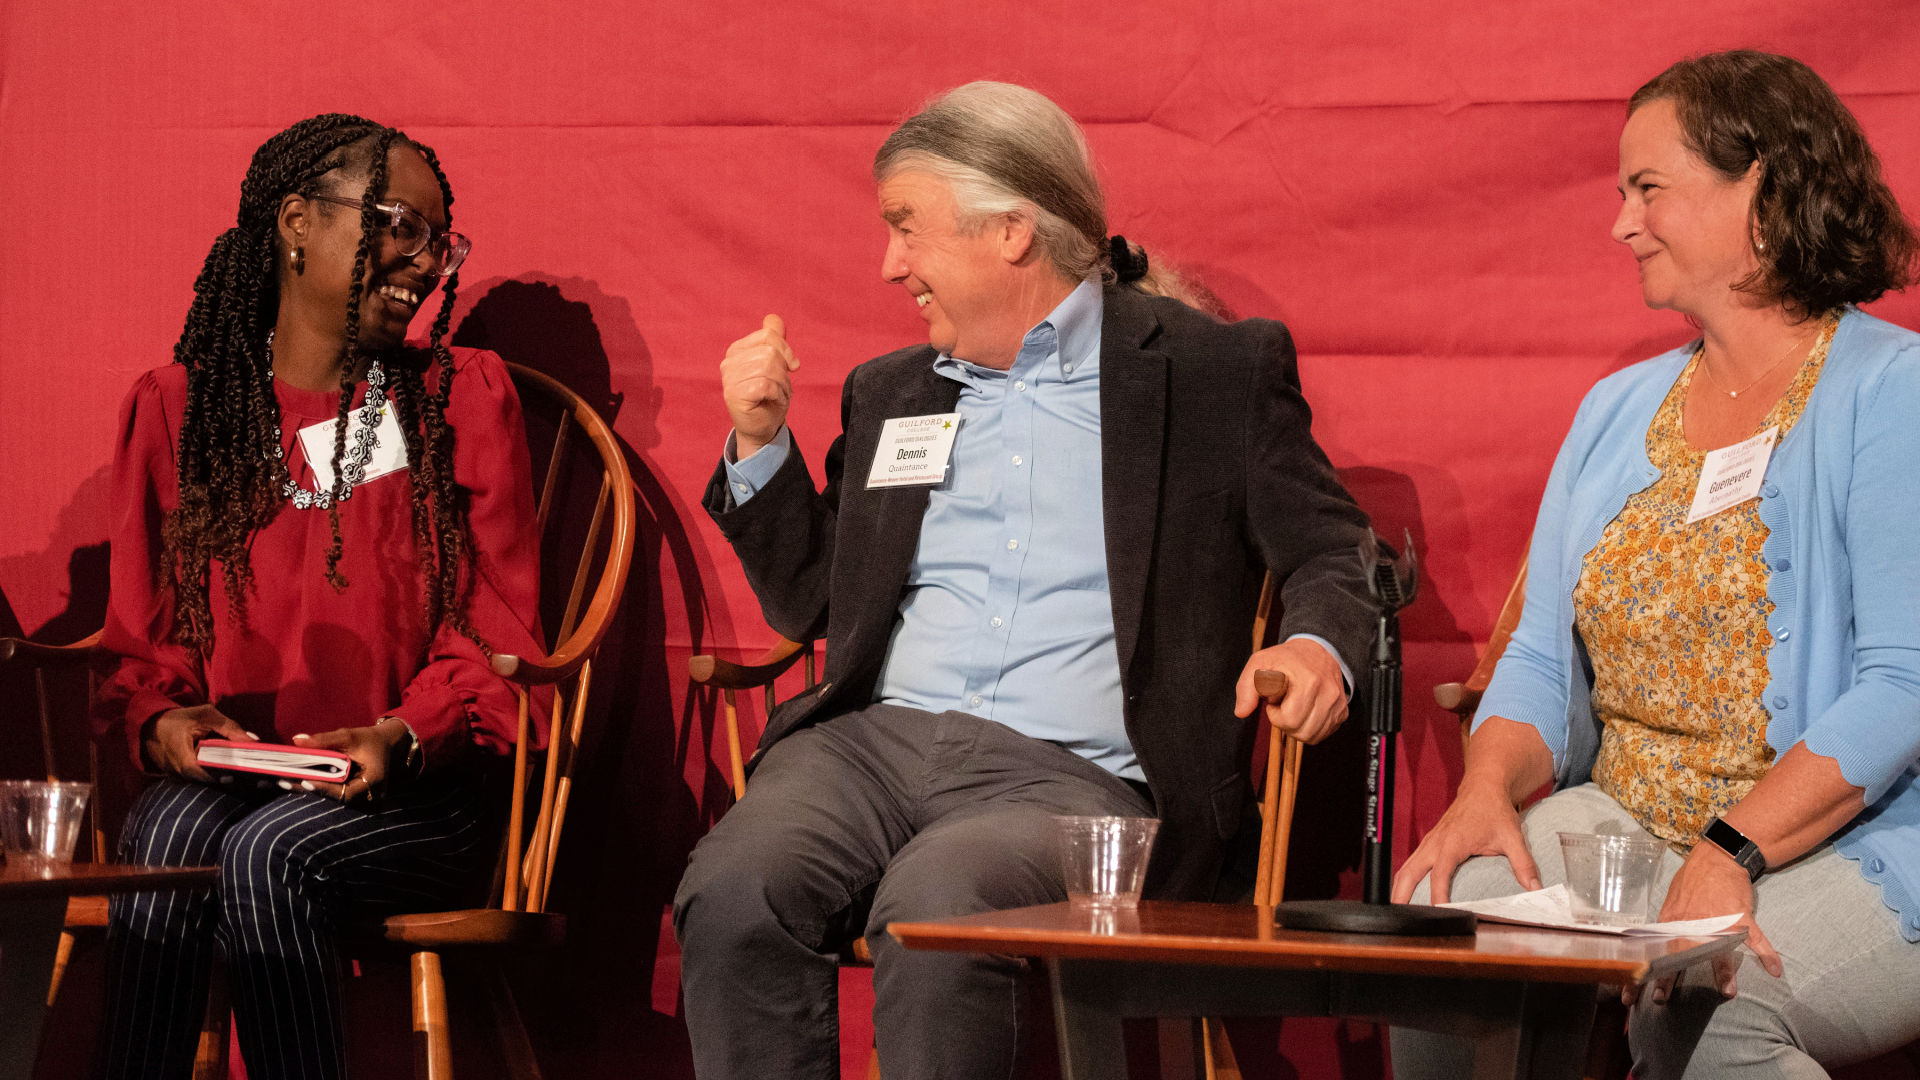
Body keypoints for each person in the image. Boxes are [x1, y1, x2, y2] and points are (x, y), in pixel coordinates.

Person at [673, 81, 1376, 1080]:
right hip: (869, 753)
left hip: (1071, 780)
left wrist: (1314, 646)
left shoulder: (1209, 372)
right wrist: (759, 443)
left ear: (1010, 230)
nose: (889, 266)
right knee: (737, 885)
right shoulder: (892, 392)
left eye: (907, 230)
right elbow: (813, 599)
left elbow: (1332, 545)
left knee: (940, 904)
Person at [1391, 51, 1920, 1079]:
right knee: (1444, 942)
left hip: (1863, 840)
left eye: (1649, 190)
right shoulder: (1614, 412)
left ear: (1761, 191)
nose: (1622, 225)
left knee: (1706, 1009)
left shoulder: (1892, 395)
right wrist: (1488, 789)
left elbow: (1905, 681)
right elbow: (1543, 656)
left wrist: (1731, 851)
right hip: (1631, 825)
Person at [93, 114, 544, 1080]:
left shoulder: (455, 401)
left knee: (271, 851)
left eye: (437, 239)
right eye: (395, 224)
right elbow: (146, 644)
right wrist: (164, 724)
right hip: (230, 781)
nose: (422, 262)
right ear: (297, 221)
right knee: (164, 833)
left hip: (418, 791)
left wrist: (403, 735)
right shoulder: (184, 410)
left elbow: (494, 635)